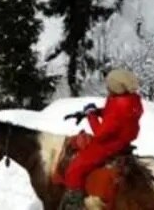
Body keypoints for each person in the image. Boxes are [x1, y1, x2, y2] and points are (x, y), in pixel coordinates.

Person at [60, 68, 145, 210]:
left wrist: (91, 116)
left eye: (109, 85)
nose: (107, 88)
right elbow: (114, 115)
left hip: (109, 144)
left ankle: (74, 204)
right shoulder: (131, 99)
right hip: (123, 140)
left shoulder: (119, 104)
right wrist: (96, 111)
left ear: (116, 87)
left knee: (75, 168)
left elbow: (100, 133)